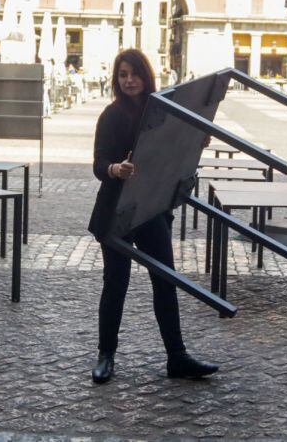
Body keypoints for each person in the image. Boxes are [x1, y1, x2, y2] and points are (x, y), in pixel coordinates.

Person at [87, 48, 219, 384]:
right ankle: (106, 355)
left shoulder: (162, 108)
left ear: (146, 75)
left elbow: (175, 151)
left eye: (135, 73)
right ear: (116, 80)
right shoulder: (112, 115)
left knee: (165, 280)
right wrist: (115, 168)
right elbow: (99, 164)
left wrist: (196, 142)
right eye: (122, 75)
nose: (129, 80)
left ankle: (177, 356)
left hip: (150, 208)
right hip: (116, 211)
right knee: (115, 283)